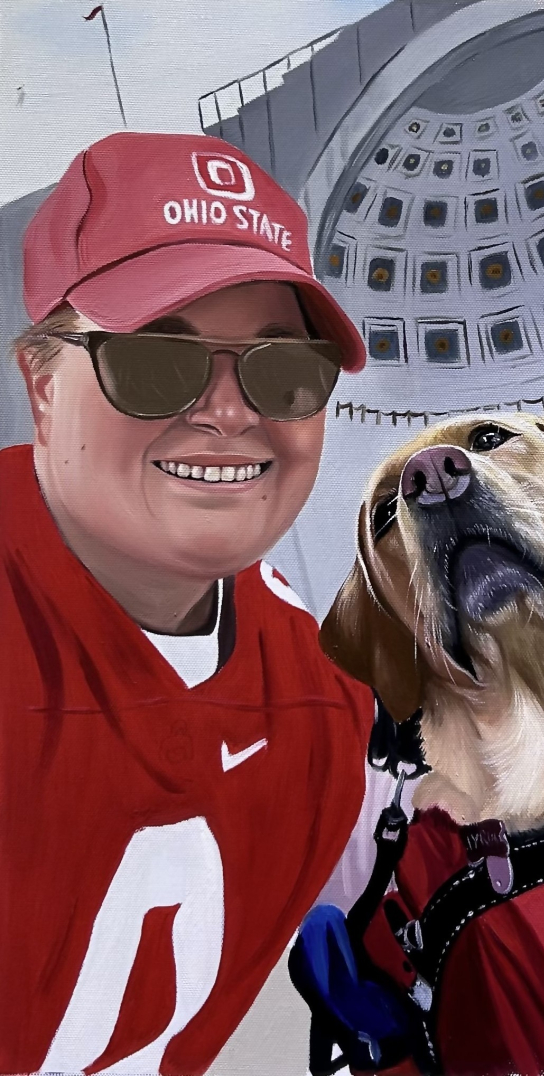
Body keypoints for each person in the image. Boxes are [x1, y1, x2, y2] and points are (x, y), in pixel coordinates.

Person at [1, 132, 376, 1076]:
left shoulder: (325, 703)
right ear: (42, 386)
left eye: (283, 369)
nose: (229, 412)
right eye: (156, 362)